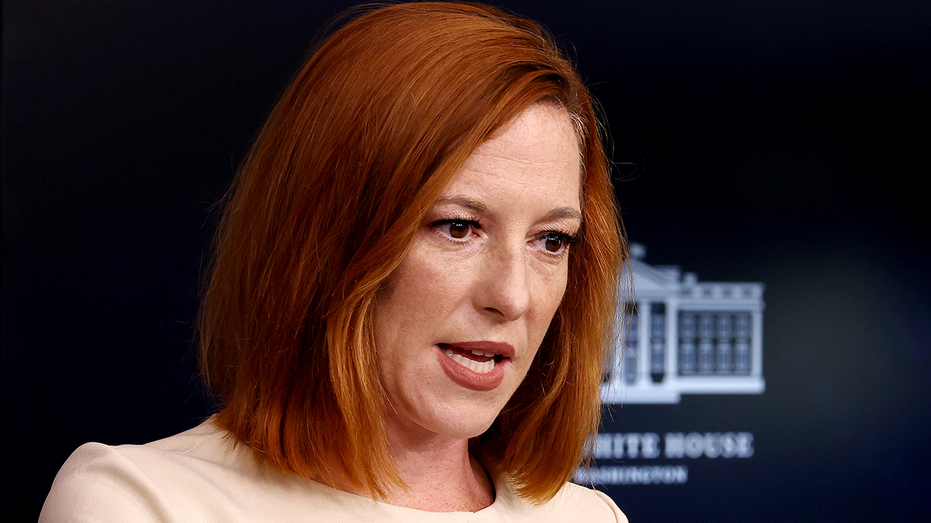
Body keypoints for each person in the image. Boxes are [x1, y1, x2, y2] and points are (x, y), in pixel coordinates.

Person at [40, 2, 628, 521]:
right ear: (329, 241)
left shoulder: (587, 516)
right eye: (458, 227)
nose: (514, 296)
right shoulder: (142, 504)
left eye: (552, 240)